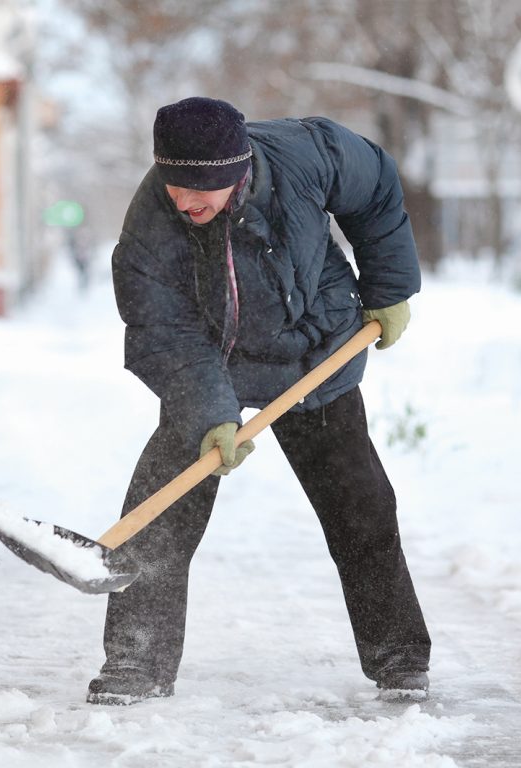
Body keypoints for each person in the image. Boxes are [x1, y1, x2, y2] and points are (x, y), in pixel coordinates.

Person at [88, 96, 431, 705]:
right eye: (175, 188)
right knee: (161, 512)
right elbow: (159, 327)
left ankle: (399, 656)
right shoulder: (154, 218)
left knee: (362, 509)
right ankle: (135, 664)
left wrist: (389, 286)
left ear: (235, 172)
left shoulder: (308, 153)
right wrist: (210, 412)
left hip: (316, 350)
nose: (184, 204)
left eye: (201, 193)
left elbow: (376, 188)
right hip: (211, 359)